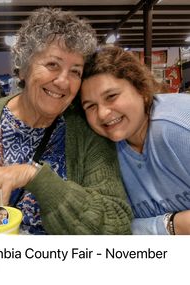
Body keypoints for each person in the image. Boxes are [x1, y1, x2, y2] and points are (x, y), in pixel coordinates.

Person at [0, 8, 132, 235]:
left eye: (75, 71)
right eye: (52, 65)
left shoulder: (88, 130)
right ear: (23, 69)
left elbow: (116, 224)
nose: (63, 82)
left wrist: (37, 177)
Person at [80, 44, 190, 235]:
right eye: (90, 106)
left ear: (141, 89)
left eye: (111, 96)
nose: (103, 113)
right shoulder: (106, 147)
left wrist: (169, 226)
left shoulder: (175, 126)